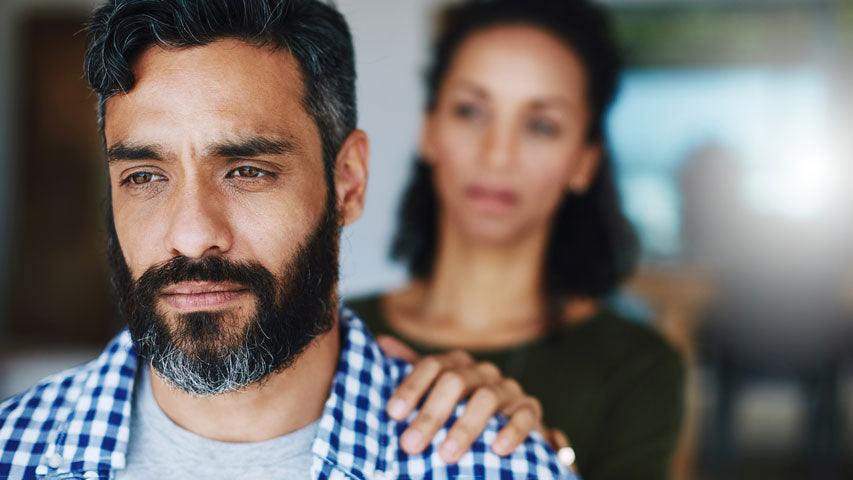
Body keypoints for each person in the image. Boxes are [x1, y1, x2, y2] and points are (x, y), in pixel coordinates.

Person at [0, 1, 573, 478]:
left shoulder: (501, 466)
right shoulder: (12, 452)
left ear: (347, 182)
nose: (193, 235)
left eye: (247, 171)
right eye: (145, 177)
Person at [347, 1, 686, 478]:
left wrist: (543, 458)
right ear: (430, 130)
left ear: (584, 161)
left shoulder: (638, 368)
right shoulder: (334, 331)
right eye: (470, 111)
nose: (497, 154)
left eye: (541, 125)